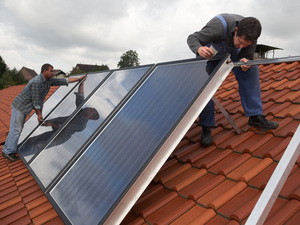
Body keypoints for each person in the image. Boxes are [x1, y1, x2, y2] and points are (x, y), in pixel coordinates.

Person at [187, 13, 279, 146]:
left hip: (230, 54)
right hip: (208, 54)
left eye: (245, 44)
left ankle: (255, 116)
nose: (242, 46)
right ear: (236, 31)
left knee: (252, 69)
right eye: (240, 42)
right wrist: (199, 48)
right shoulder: (217, 28)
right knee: (204, 84)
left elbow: (246, 55)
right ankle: (206, 127)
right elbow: (192, 38)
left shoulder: (251, 35)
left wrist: (245, 61)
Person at [2, 63, 87, 161]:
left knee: (16, 130)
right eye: (51, 71)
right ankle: (9, 152)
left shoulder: (48, 81)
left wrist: (79, 79)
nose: (52, 73)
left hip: (24, 108)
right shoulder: (37, 82)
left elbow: (63, 80)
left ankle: (7, 149)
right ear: (44, 71)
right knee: (16, 130)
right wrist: (39, 115)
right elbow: (36, 101)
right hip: (20, 107)